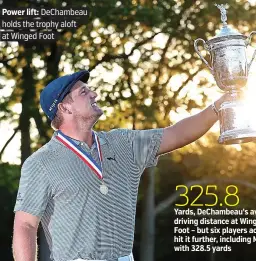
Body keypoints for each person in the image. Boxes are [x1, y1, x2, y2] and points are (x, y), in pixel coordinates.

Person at [12, 70, 225, 261]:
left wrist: (218, 108)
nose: (94, 94)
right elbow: (25, 225)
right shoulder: (40, 163)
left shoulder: (123, 143)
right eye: (84, 93)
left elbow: (176, 134)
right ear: (64, 107)